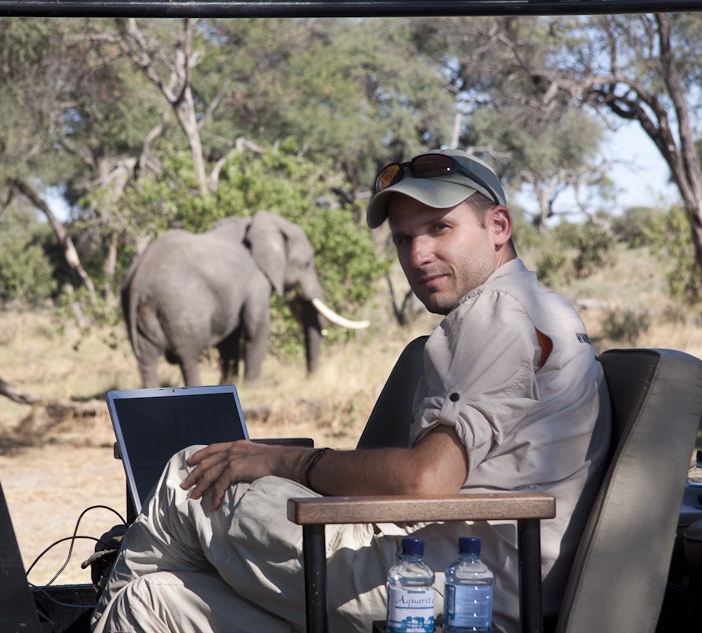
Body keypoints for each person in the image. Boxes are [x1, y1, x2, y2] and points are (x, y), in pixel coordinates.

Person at [91, 148, 611, 633]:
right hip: (486, 587)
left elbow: (426, 482)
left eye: (439, 228)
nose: (419, 253)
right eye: (405, 239)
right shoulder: (547, 309)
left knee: (190, 469)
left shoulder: (494, 316)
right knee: (153, 600)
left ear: (497, 226)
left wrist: (288, 464)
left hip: (442, 588)